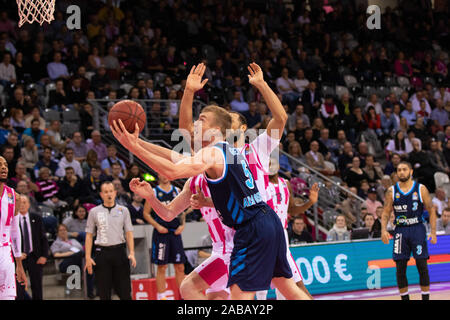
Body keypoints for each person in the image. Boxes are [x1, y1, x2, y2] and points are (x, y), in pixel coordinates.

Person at [114, 63, 311, 300]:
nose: (195, 124)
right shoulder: (215, 157)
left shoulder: (232, 151)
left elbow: (174, 168)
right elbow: (175, 156)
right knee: (286, 290)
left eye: (202, 120)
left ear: (219, 129)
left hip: (250, 231)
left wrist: (134, 146)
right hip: (256, 227)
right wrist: (139, 146)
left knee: (240, 296)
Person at [255, 158, 318, 300]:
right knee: (275, 281)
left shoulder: (286, 184)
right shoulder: (260, 185)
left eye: (272, 163)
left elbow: (293, 209)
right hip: (265, 235)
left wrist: (311, 202)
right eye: (267, 163)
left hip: (282, 235)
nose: (270, 166)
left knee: (289, 282)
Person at [380, 161, 437, 300]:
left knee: (422, 265)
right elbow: (386, 212)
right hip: (400, 231)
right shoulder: (391, 191)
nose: (401, 172)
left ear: (411, 172)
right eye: (399, 170)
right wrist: (383, 230)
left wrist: (433, 232)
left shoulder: (420, 188)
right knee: (400, 269)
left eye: (404, 169)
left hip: (417, 228)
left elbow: (431, 210)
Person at [84, 181, 136, 300]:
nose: (109, 194)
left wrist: (132, 252)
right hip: (102, 253)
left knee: (125, 292)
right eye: (106, 192)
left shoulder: (124, 210)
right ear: (101, 194)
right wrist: (88, 257)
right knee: (104, 292)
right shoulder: (94, 212)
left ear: (115, 193)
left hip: (119, 252)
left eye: (111, 191)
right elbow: (89, 235)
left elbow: (128, 232)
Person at [142, 173, 186, 300]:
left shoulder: (177, 190)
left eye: (166, 172)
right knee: (162, 266)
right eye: (161, 173)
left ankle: (183, 296)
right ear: (158, 175)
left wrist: (183, 225)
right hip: (161, 234)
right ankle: (162, 297)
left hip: (175, 233)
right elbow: (146, 213)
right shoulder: (154, 192)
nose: (165, 175)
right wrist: (157, 226)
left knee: (180, 266)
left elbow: (182, 212)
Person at [0, 156, 27, 300]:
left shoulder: (14, 196)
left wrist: (19, 264)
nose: (3, 167)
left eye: (5, 165)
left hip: (5, 253)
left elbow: (15, 230)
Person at [16, 195, 48, 300]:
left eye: (25, 202)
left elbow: (43, 238)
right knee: (18, 287)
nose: (22, 204)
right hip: (19, 258)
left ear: (29, 205)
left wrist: (44, 255)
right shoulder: (13, 219)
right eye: (20, 202)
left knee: (37, 287)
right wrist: (16, 254)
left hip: (35, 257)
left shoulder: (36, 218)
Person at [50, 223, 95, 299]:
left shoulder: (73, 240)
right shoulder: (56, 243)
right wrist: (68, 253)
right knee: (82, 255)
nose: (63, 232)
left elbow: (81, 248)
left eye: (64, 230)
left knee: (87, 267)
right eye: (60, 230)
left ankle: (89, 292)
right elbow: (55, 255)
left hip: (79, 259)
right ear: (57, 233)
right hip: (65, 263)